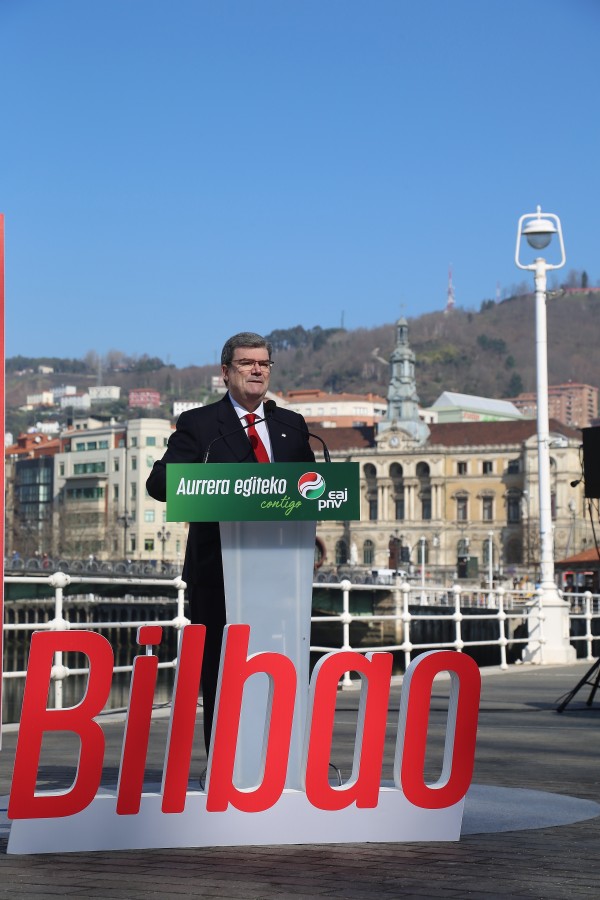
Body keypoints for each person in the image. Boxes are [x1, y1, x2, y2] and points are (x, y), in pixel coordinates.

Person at [146, 331, 315, 752]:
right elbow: (159, 482)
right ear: (226, 372)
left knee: (281, 668)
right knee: (222, 671)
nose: (257, 370)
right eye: (247, 363)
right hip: (219, 572)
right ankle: (223, 766)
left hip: (281, 573)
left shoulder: (289, 425)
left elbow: (313, 491)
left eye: (264, 363)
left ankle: (282, 760)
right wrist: (217, 483)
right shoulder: (201, 424)